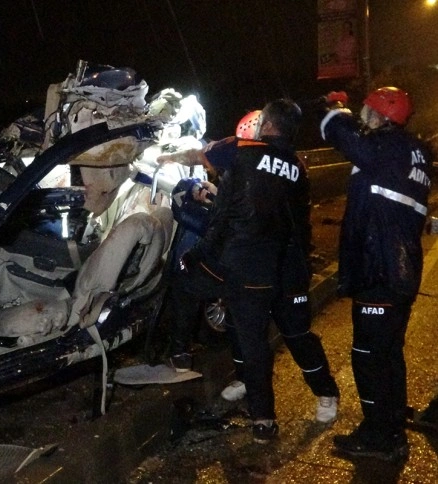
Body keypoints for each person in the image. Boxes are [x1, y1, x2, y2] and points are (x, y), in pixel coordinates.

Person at [159, 99, 340, 443]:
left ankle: (322, 393)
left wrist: (166, 159)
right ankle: (256, 398)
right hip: (277, 263)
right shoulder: (297, 167)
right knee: (249, 329)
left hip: (262, 266)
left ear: (266, 125)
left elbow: (210, 180)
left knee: (286, 335)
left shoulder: (242, 151)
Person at [320, 87, 432, 461]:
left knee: (368, 356)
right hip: (400, 268)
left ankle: (380, 435)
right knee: (389, 354)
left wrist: (337, 109)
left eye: (368, 108)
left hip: (380, 266)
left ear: (381, 114)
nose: (363, 114)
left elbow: (344, 136)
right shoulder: (413, 150)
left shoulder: (386, 147)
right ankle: (392, 422)